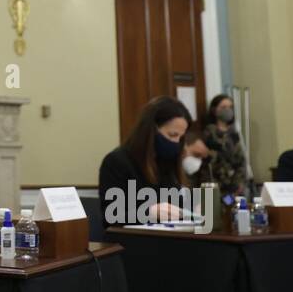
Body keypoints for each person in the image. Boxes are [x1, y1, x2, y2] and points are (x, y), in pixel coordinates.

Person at [99, 96, 193, 224]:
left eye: (180, 137)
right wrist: (148, 213)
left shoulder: (166, 162)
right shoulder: (116, 162)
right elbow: (111, 216)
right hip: (132, 239)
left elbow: (177, 205)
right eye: (172, 135)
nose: (176, 142)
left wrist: (193, 209)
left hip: (168, 236)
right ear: (151, 130)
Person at [201, 93, 247, 194]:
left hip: (234, 184)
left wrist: (239, 182)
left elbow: (240, 160)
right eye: (223, 107)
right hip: (214, 183)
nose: (228, 110)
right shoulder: (208, 133)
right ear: (214, 110)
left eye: (230, 107)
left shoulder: (234, 133)